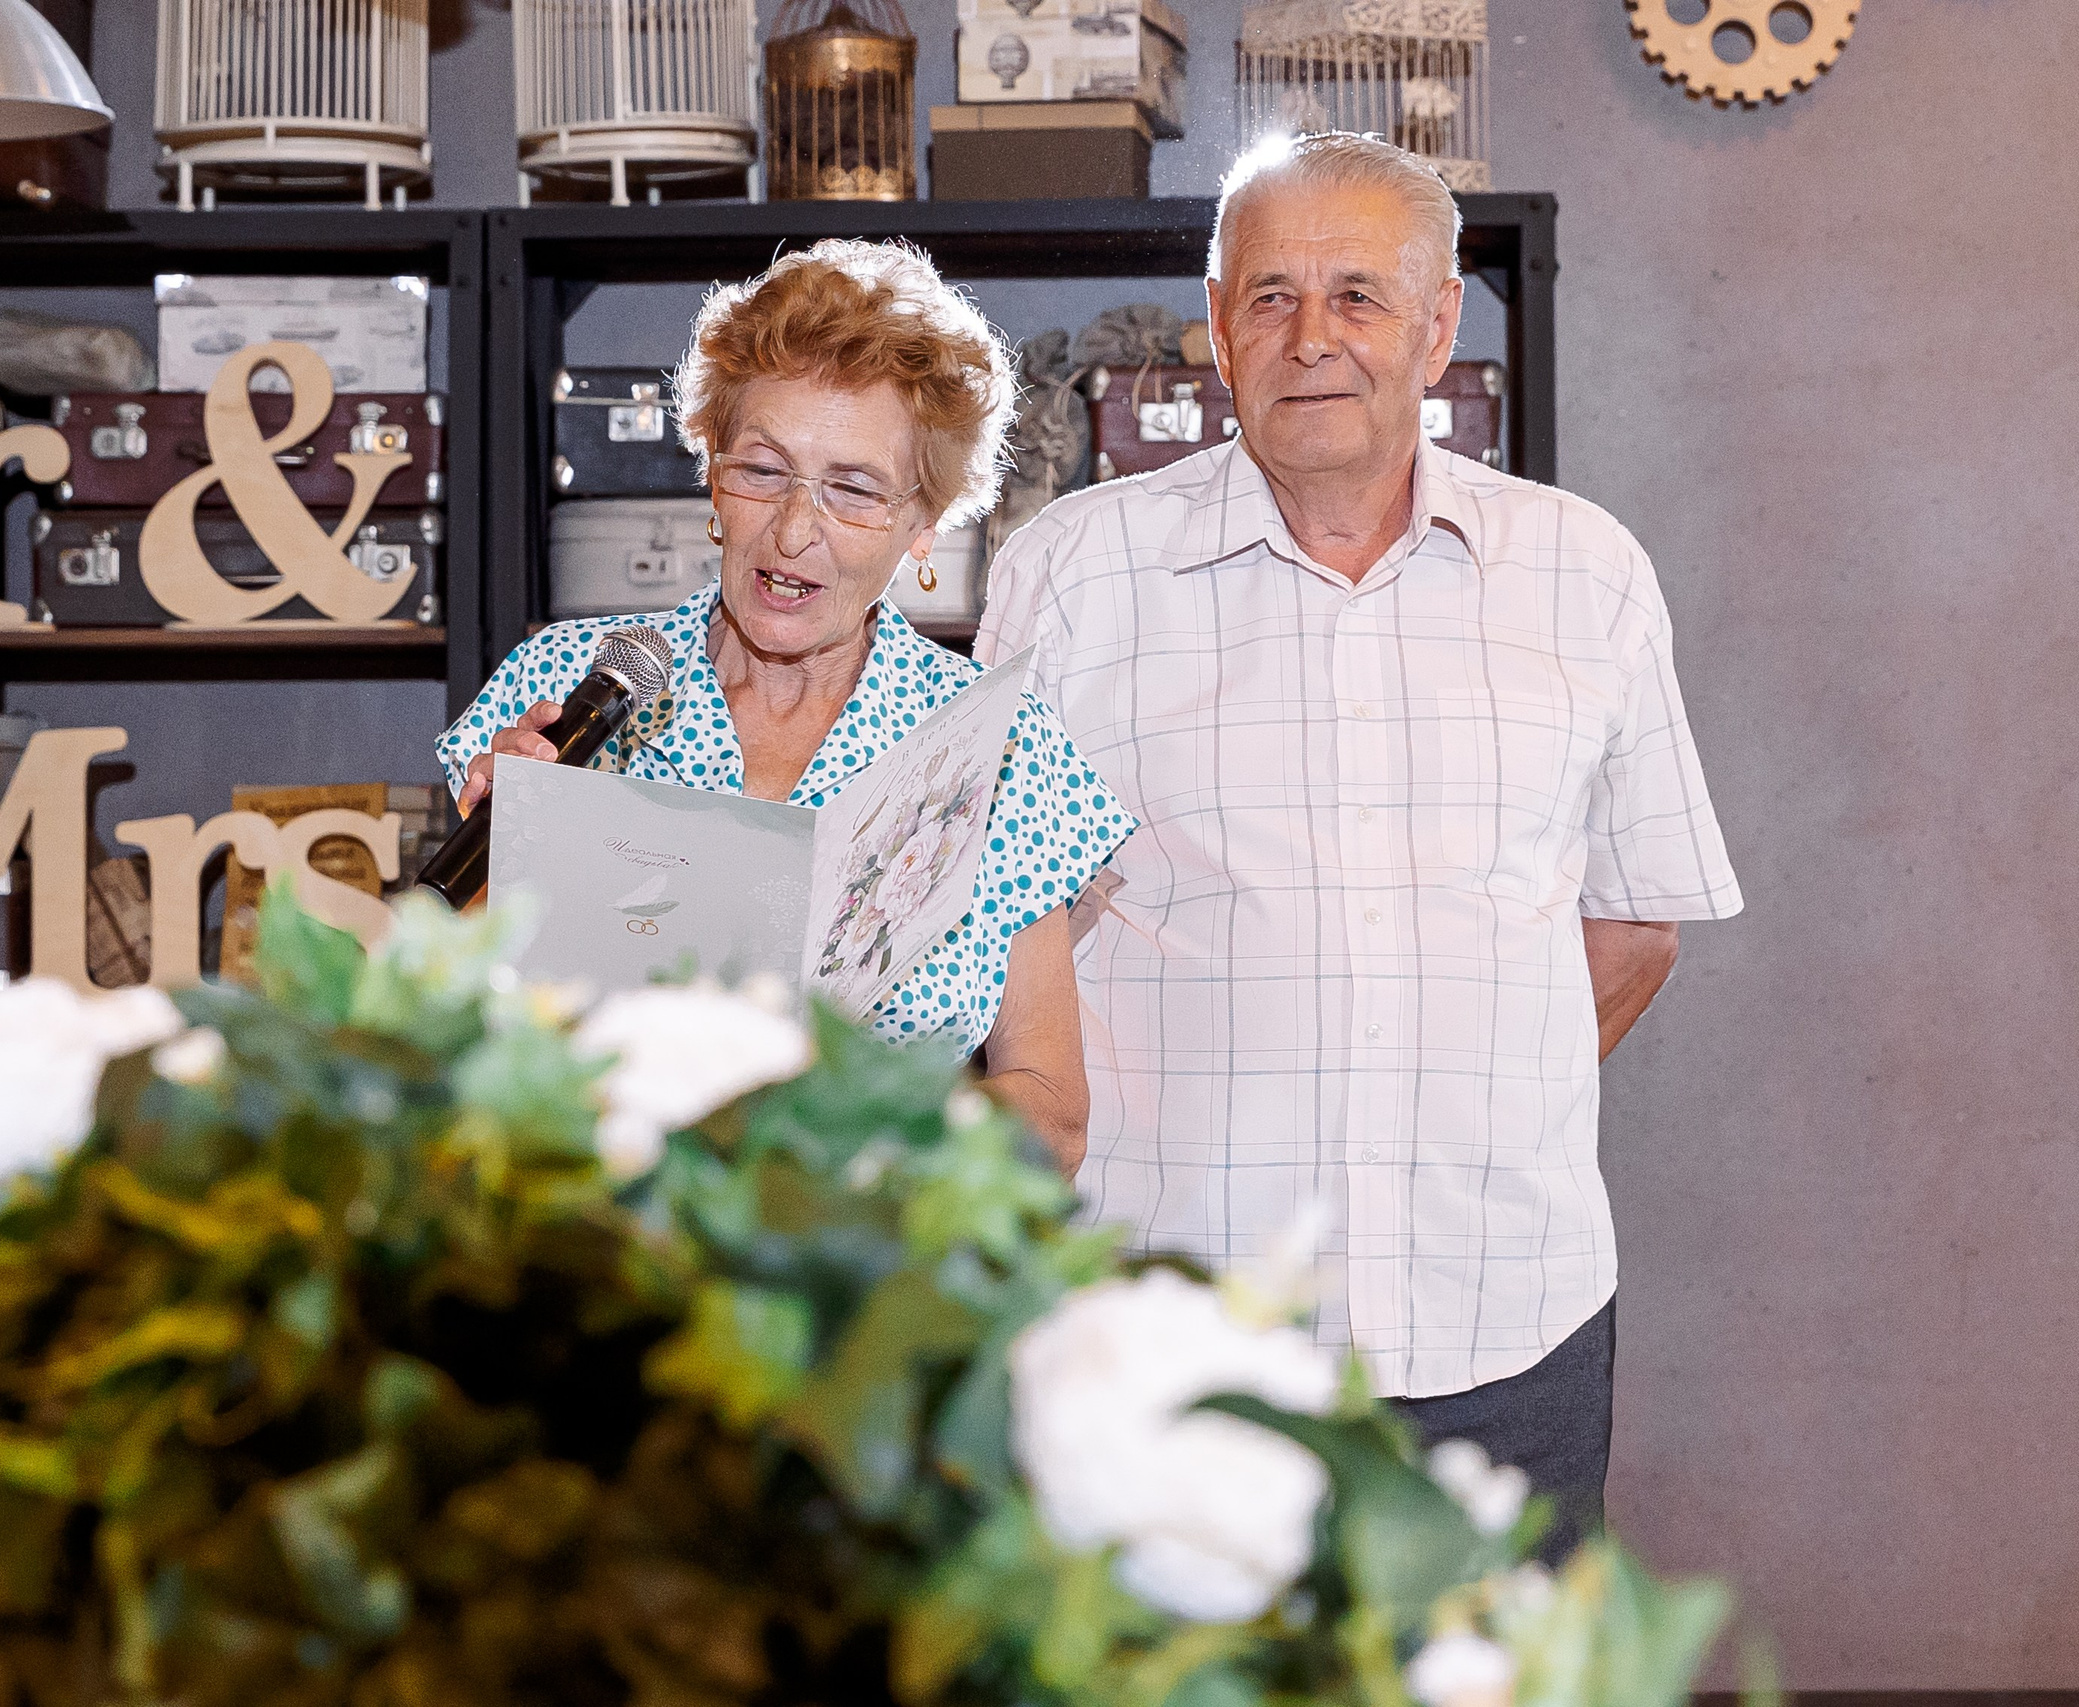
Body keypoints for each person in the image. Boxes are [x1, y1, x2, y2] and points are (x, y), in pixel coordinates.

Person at [975, 133, 1743, 1549]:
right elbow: (996, 942)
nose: (1311, 338)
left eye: (1357, 296)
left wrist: (1457, 1095)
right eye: (1269, 297)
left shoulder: (1588, 575)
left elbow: (1634, 928)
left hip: (1507, 1322)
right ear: (1215, 330)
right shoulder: (1073, 578)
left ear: (1441, 323)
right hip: (1175, 1334)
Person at [439, 239, 1133, 1172]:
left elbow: (1051, 1112)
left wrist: (863, 1142)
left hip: (863, 1276)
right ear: (712, 477)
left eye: (852, 490)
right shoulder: (566, 685)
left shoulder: (997, 745)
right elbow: (438, 1046)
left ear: (922, 525)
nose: (794, 531)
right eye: (763, 470)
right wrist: (499, 871)